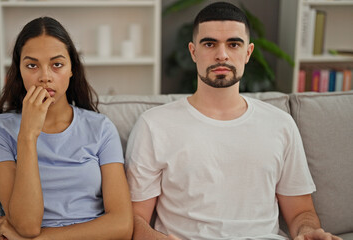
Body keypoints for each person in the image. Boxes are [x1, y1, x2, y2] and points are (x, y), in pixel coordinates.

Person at [125, 2, 340, 240]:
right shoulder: (154, 125)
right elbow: (135, 218)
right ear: (193, 52)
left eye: (233, 44)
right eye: (209, 44)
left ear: (248, 53)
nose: (222, 55)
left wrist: (308, 232)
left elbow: (301, 212)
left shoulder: (281, 124)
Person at [0, 16, 132, 240]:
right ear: (19, 71)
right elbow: (27, 226)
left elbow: (122, 225)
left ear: (71, 69)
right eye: (32, 65)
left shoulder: (100, 128)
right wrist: (28, 135)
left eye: (57, 65)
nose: (45, 77)